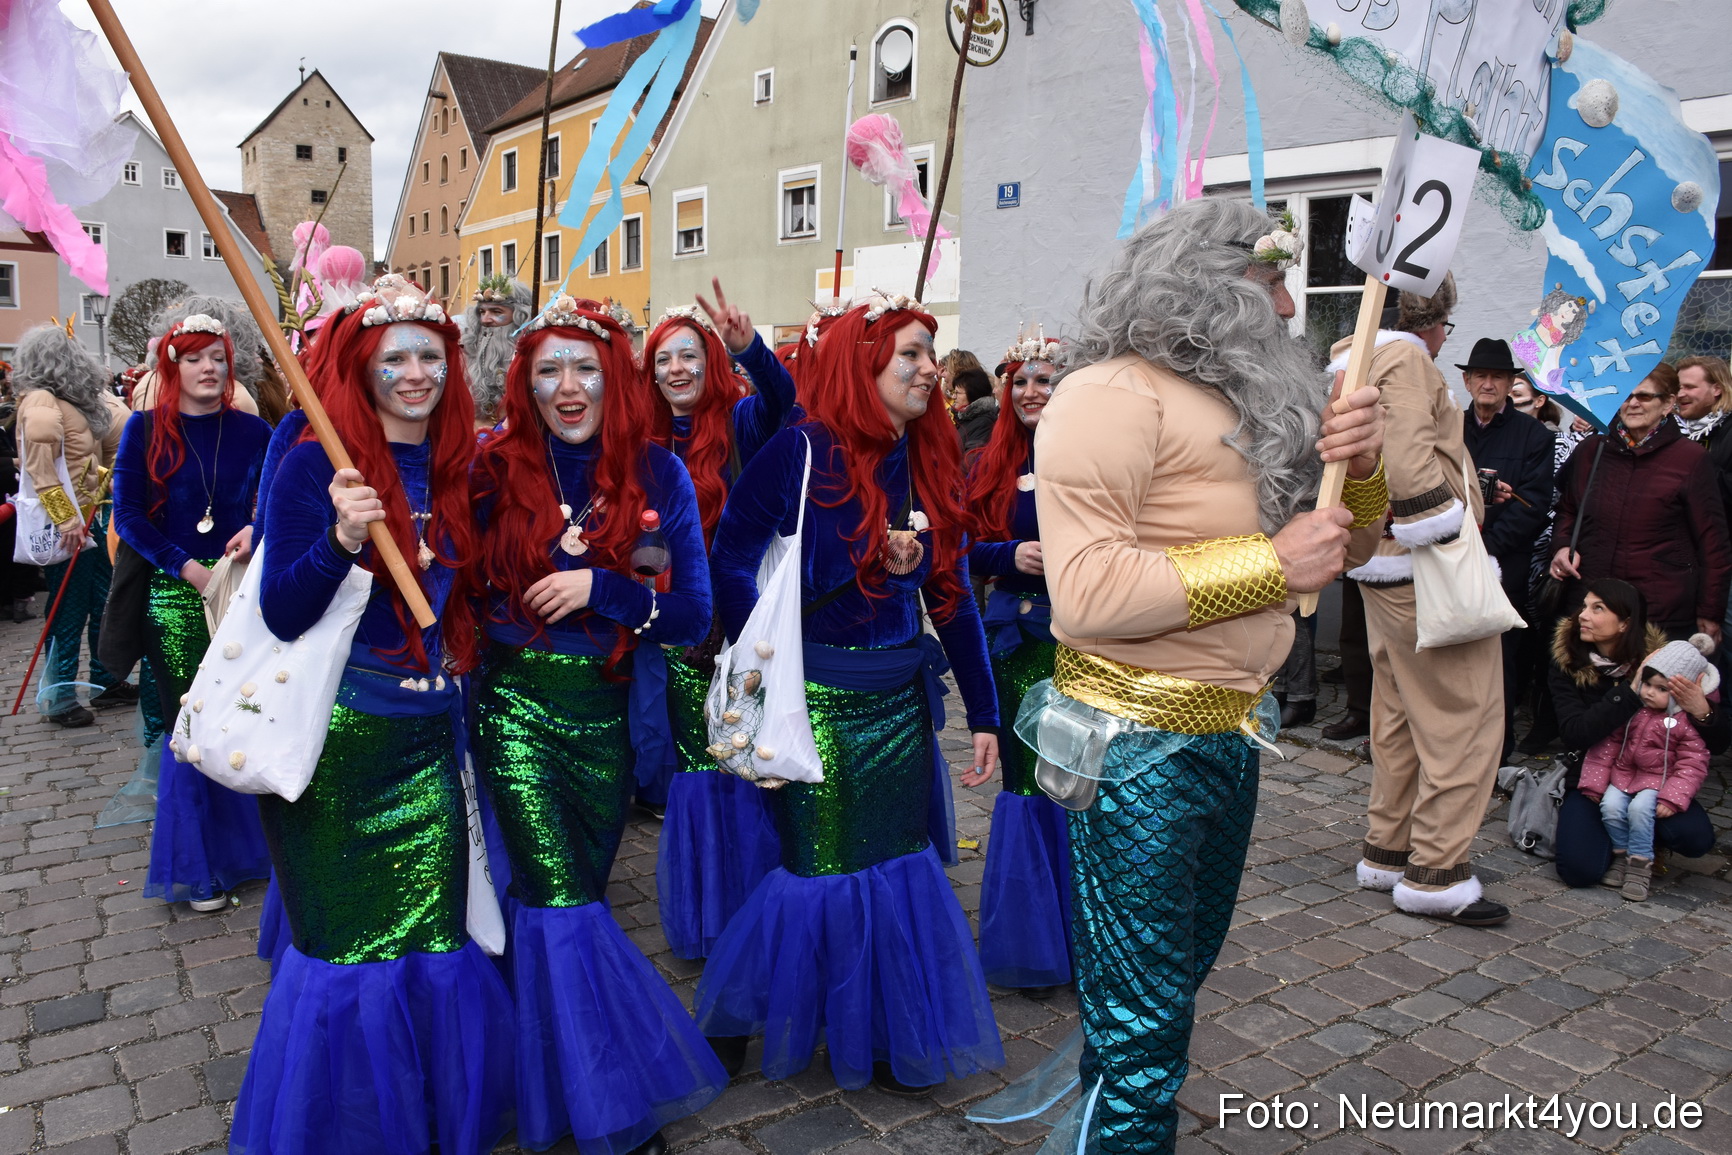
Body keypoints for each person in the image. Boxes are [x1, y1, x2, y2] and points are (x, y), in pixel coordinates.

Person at [1031, 199, 1385, 1152]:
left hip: (1230, 732)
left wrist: (1361, 467)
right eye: (1271, 282)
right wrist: (1271, 563)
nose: (1288, 307)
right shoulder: (1110, 393)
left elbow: (1348, 547)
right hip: (1133, 744)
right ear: (1205, 284)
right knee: (1146, 1023)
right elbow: (1086, 593)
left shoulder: (1251, 402)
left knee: (1166, 987)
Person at [231, 275, 514, 1155]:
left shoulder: (465, 465)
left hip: (430, 743)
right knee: (347, 951)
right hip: (339, 748)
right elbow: (281, 611)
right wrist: (341, 540)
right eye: (395, 356)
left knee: (432, 938)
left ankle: (425, 1121)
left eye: (431, 354)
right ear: (361, 366)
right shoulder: (314, 460)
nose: (416, 371)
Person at [695, 294, 1005, 1096]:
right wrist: (765, 662)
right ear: (864, 364)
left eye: (932, 352)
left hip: (900, 709)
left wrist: (985, 714)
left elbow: (952, 598)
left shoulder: (928, 457)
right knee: (820, 867)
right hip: (818, 706)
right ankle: (738, 1011)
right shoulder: (803, 449)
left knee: (895, 863)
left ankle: (884, 1027)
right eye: (911, 353)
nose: (930, 369)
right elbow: (730, 556)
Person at [456, 295, 725, 1155]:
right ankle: (608, 1101)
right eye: (549, 370)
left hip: (605, 717)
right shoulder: (491, 467)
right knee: (560, 897)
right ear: (525, 382)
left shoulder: (659, 474)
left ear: (614, 377)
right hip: (513, 710)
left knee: (573, 897)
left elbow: (692, 616)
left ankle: (536, 1067)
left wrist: (603, 589)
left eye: (585, 368)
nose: (568, 387)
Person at [1342, 277, 1512, 928]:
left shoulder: (1358, 356)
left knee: (1398, 717)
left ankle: (1389, 851)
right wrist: (1442, 531)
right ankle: (1437, 873)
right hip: (1423, 568)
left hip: (1386, 569)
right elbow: (1410, 456)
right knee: (1463, 721)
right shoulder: (1406, 359)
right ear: (1434, 323)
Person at [643, 282, 796, 959]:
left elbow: (783, 402)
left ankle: (757, 908)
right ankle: (710, 913)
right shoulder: (641, 442)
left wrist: (751, 350)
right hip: (679, 633)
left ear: (709, 363)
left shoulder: (739, 425)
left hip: (743, 628)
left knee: (748, 760)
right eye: (663, 359)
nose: (676, 369)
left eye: (689, 356)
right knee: (698, 767)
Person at [112, 314, 273, 912]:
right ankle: (200, 869)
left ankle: (251, 853)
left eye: (218, 358)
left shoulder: (255, 431)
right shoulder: (145, 429)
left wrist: (257, 530)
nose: (209, 369)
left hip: (242, 591)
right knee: (192, 722)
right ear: (172, 367)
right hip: (174, 594)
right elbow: (128, 515)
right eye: (194, 358)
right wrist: (185, 567)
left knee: (246, 712)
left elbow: (278, 501)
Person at [964, 334, 1070, 992]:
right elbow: (960, 544)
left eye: (1044, 379)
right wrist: (1008, 555)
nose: (1032, 391)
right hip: (1017, 643)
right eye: (1021, 381)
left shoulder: (1091, 455)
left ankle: (1086, 931)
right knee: (1028, 782)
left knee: (1080, 782)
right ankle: (1033, 941)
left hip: (1084, 640)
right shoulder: (988, 460)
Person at [1548, 579, 1726, 889]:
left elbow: (1717, 744)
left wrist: (1702, 711)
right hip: (1593, 777)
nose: (1583, 615)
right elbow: (1575, 733)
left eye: (1597, 608)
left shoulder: (1668, 663)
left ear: (1625, 623)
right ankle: (1616, 838)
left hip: (1654, 781)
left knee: (1694, 838)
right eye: (1584, 606)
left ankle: (1641, 840)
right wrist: (1631, 691)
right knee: (1579, 871)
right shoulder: (1569, 663)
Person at [1550, 364, 1732, 641]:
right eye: (1625, 395)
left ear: (1668, 403)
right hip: (1591, 599)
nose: (1633, 403)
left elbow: (1712, 542)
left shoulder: (1691, 459)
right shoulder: (1592, 450)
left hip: (1658, 608)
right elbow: (1568, 509)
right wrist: (1562, 546)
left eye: (1644, 396)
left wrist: (1710, 610)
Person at [12, 324, 131, 726]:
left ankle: (106, 680)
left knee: (102, 602)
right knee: (68, 611)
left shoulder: (69, 401)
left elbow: (93, 457)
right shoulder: (42, 402)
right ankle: (59, 695)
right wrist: (66, 520)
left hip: (89, 519)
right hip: (69, 526)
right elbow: (41, 472)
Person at [1457, 337, 1554, 759]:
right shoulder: (1449, 427)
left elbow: (1534, 505)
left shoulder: (1533, 435)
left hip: (1502, 564)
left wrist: (1488, 548)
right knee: (1450, 655)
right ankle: (1452, 745)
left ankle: (1496, 751)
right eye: (1481, 375)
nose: (1488, 384)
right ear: (1467, 381)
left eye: (1498, 377)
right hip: (1449, 559)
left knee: (1499, 659)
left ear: (1510, 383)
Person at [1577, 638, 1714, 902]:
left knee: (1640, 810)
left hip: (1658, 781)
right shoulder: (1634, 711)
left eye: (1661, 689)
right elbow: (1608, 745)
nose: (1649, 692)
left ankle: (1640, 864)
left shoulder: (1684, 722)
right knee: (1610, 807)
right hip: (1623, 775)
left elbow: (1693, 763)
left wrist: (1672, 797)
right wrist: (1595, 782)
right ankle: (1622, 854)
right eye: (1647, 684)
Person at [462, 275, 533, 428]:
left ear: (519, 317)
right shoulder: (465, 358)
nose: (485, 320)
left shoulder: (534, 360)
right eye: (482, 312)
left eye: (496, 312)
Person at [1675, 355, 1732, 517]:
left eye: (1689, 387)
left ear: (1717, 389)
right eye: (1677, 387)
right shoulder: (1667, 428)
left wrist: (1696, 464)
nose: (1680, 394)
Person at [953, 366, 998, 453]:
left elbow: (972, 457)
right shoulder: (963, 419)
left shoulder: (983, 423)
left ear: (973, 393)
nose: (954, 397)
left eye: (957, 393)